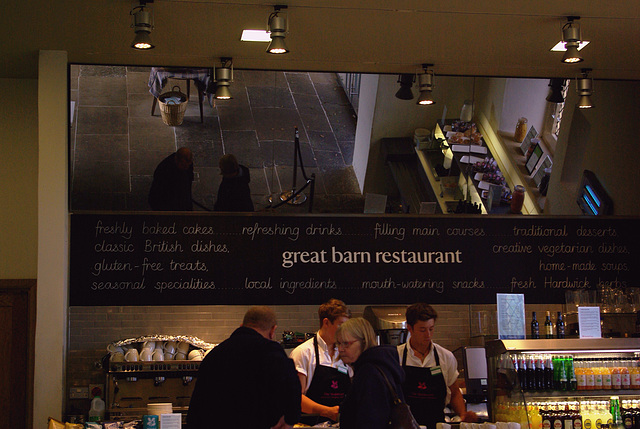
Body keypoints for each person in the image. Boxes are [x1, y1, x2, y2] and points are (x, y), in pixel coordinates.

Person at [187, 306, 301, 429]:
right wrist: (290, 419)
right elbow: (292, 390)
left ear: (242, 325)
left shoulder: (215, 354)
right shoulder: (271, 352)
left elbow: (196, 407)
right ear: (272, 331)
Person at [397, 303, 477, 429]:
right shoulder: (397, 356)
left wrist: (462, 415)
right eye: (422, 330)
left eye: (431, 329)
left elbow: (455, 392)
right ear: (409, 328)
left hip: (437, 424)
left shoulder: (445, 357)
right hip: (404, 425)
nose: (428, 335)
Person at [289, 299, 352, 425]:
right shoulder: (303, 353)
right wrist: (328, 411)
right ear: (326, 322)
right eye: (341, 325)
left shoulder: (345, 354)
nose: (345, 331)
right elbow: (295, 397)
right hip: (309, 424)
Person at [336, 317, 405, 429]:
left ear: (364, 341)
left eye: (346, 343)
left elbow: (370, 421)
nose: (340, 349)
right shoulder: (381, 364)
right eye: (338, 343)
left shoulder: (369, 373)